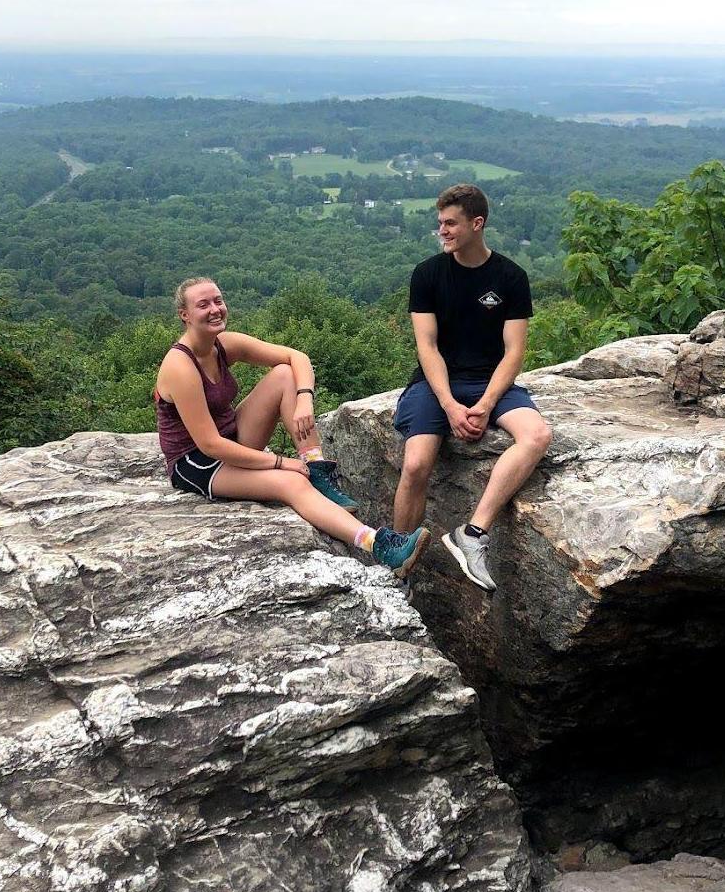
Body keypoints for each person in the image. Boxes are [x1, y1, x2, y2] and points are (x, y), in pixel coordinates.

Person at [155, 277, 430, 578]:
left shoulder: (223, 345)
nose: (215, 309)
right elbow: (210, 445)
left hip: (231, 437)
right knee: (292, 483)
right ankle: (379, 546)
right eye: (203, 305)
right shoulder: (180, 366)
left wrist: (305, 400)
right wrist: (280, 463)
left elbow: (295, 357)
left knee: (285, 375)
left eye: (218, 300)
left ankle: (318, 472)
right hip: (197, 462)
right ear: (184, 314)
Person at [392, 184, 552, 592]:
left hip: (489, 379)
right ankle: (396, 566)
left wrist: (485, 403)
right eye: (440, 223)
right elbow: (426, 345)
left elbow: (514, 352)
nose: (442, 231)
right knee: (416, 464)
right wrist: (448, 404)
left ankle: (473, 534)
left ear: (476, 224)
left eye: (450, 223)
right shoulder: (427, 274)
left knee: (537, 435)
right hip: (436, 382)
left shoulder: (510, 277)